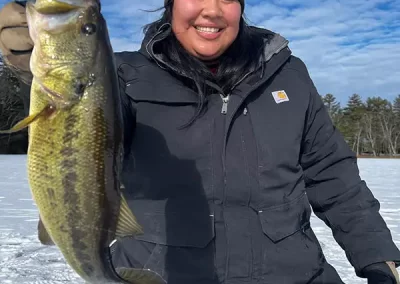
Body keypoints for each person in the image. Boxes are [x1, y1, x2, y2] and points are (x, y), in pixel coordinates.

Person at [0, 0, 399, 283]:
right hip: (159, 275)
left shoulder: (289, 75)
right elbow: (80, 110)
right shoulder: (121, 75)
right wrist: (30, 62)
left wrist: (380, 259)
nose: (211, 10)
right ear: (170, 5)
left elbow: (335, 179)